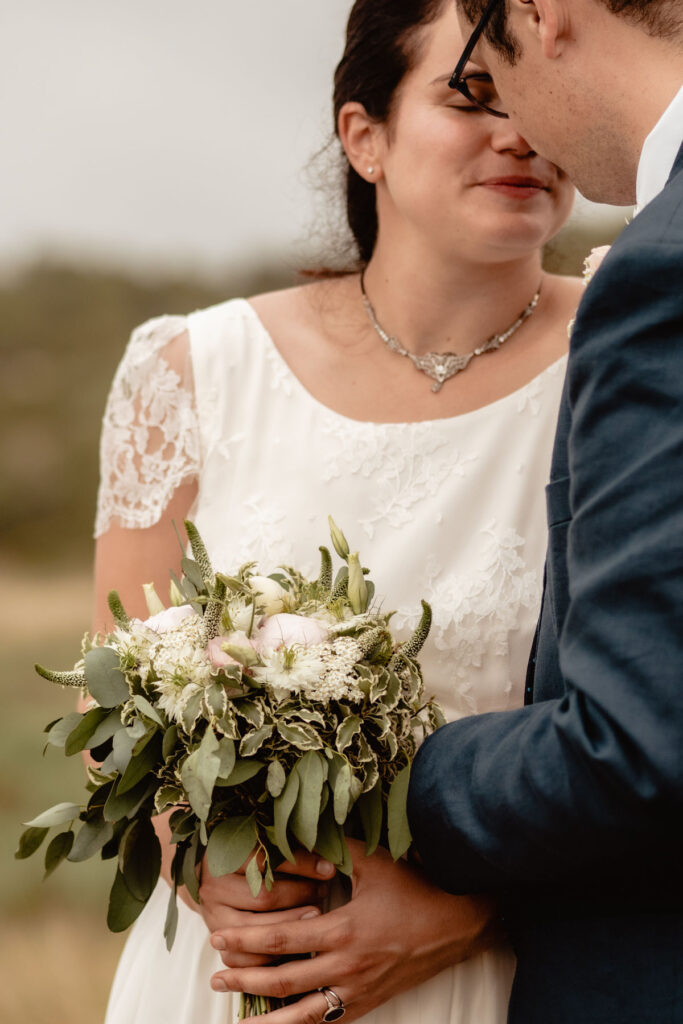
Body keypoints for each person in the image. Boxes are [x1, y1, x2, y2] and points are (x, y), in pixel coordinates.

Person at [96, 2, 582, 1022]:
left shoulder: (625, 362)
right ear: (363, 136)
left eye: (536, 93)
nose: (520, 134)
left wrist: (467, 913)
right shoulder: (193, 371)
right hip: (228, 973)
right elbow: (115, 710)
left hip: (503, 977)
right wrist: (203, 860)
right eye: (469, 96)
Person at [404, 2, 683, 1023]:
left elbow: (637, 741)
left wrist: (414, 781)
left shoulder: (658, 269)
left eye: (485, 71)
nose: (511, 123)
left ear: (539, 13)